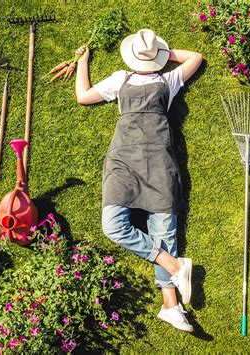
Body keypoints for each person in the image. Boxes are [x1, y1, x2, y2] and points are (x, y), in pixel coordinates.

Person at [75, 29, 202, 332]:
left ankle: (171, 305)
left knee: (165, 231)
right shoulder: (121, 79)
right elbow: (83, 97)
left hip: (159, 160)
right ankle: (174, 265)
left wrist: (160, 55)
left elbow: (197, 57)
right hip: (124, 161)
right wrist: (83, 62)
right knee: (112, 226)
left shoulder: (167, 81)